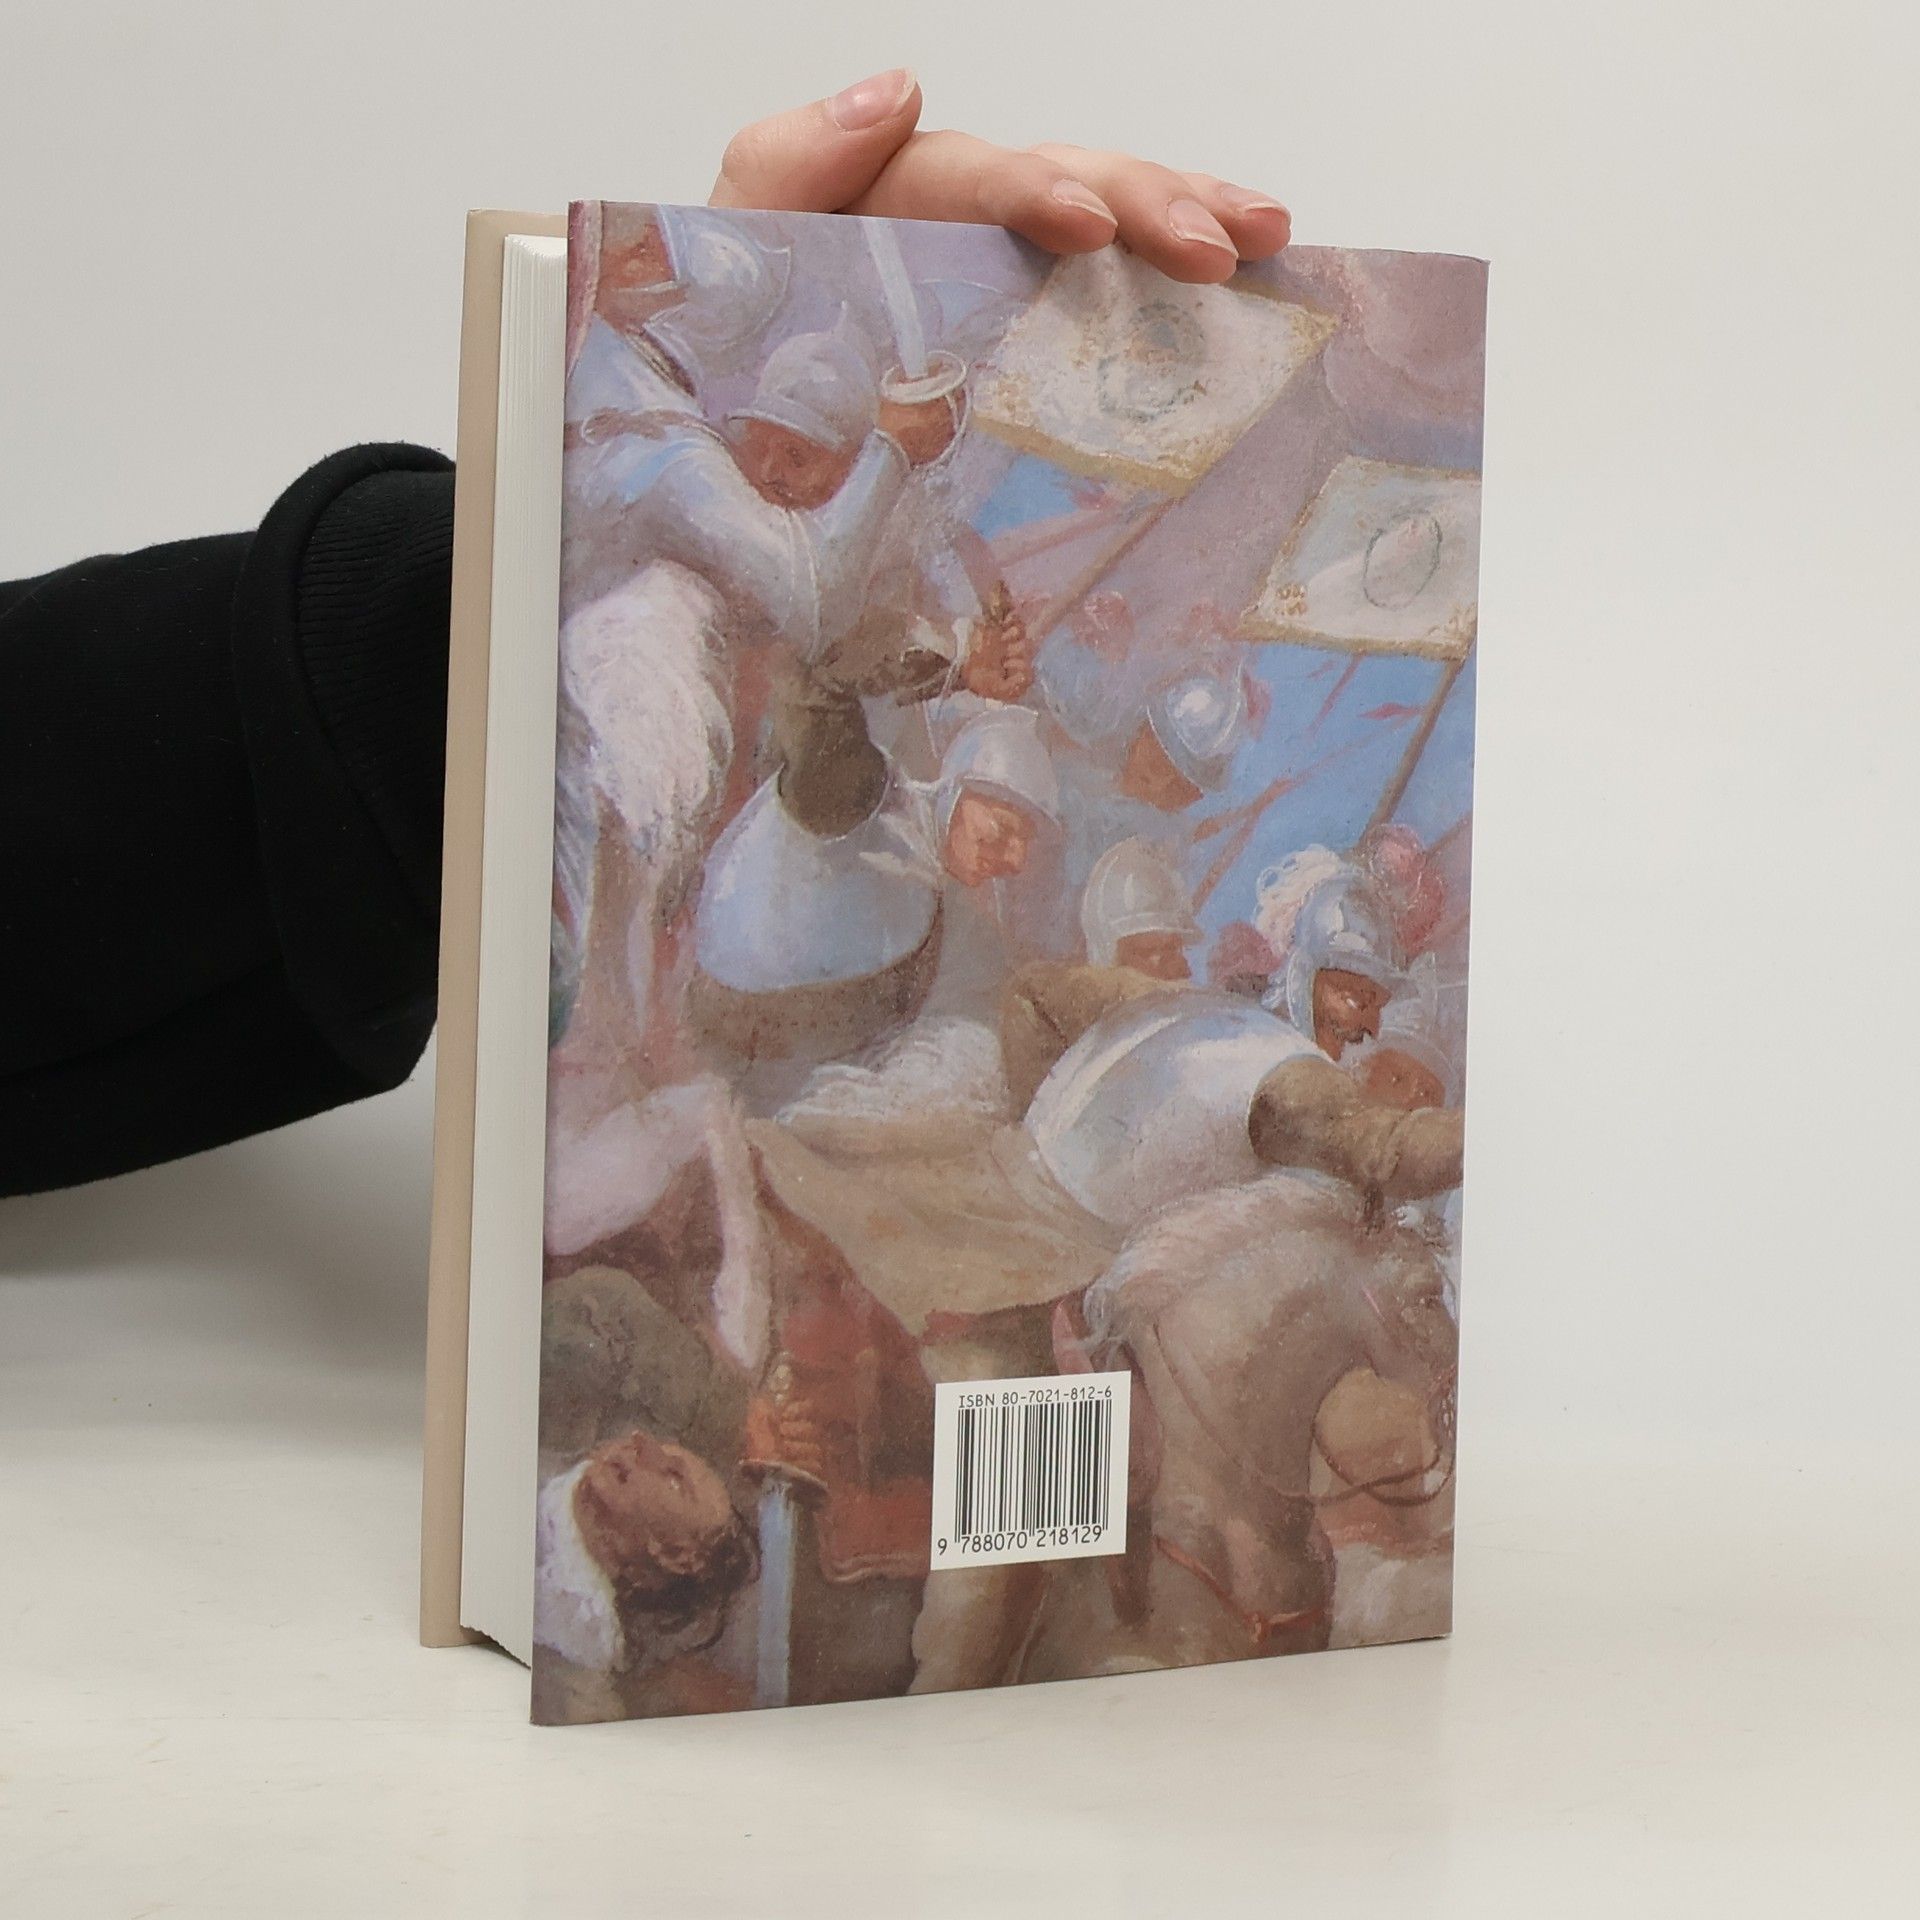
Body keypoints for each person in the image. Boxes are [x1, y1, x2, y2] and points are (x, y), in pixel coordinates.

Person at [0, 71, 1294, 1197]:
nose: (787, 478)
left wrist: (481, 627)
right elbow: (809, 614)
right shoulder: (690, 463)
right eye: (790, 455)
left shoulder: (985, 814)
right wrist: (896, 473)